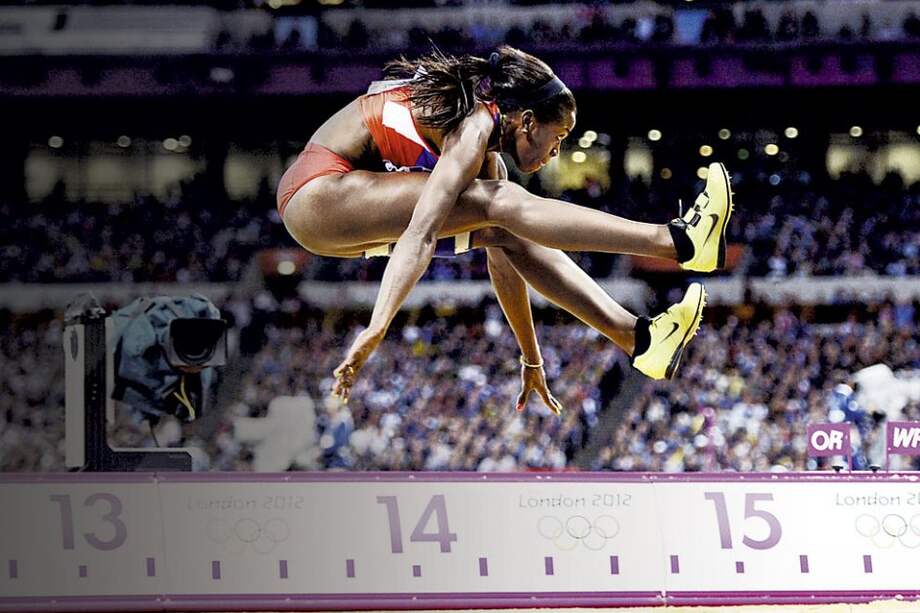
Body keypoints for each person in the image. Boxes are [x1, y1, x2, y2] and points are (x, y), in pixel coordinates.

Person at [276, 46, 733, 415]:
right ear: (527, 121)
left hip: (342, 219)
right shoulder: (474, 128)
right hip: (317, 193)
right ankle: (679, 241)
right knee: (502, 203)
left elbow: (504, 263)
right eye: (557, 140)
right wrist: (378, 325)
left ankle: (641, 340)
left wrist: (530, 357)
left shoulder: (487, 153)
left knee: (508, 229)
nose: (555, 154)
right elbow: (421, 233)